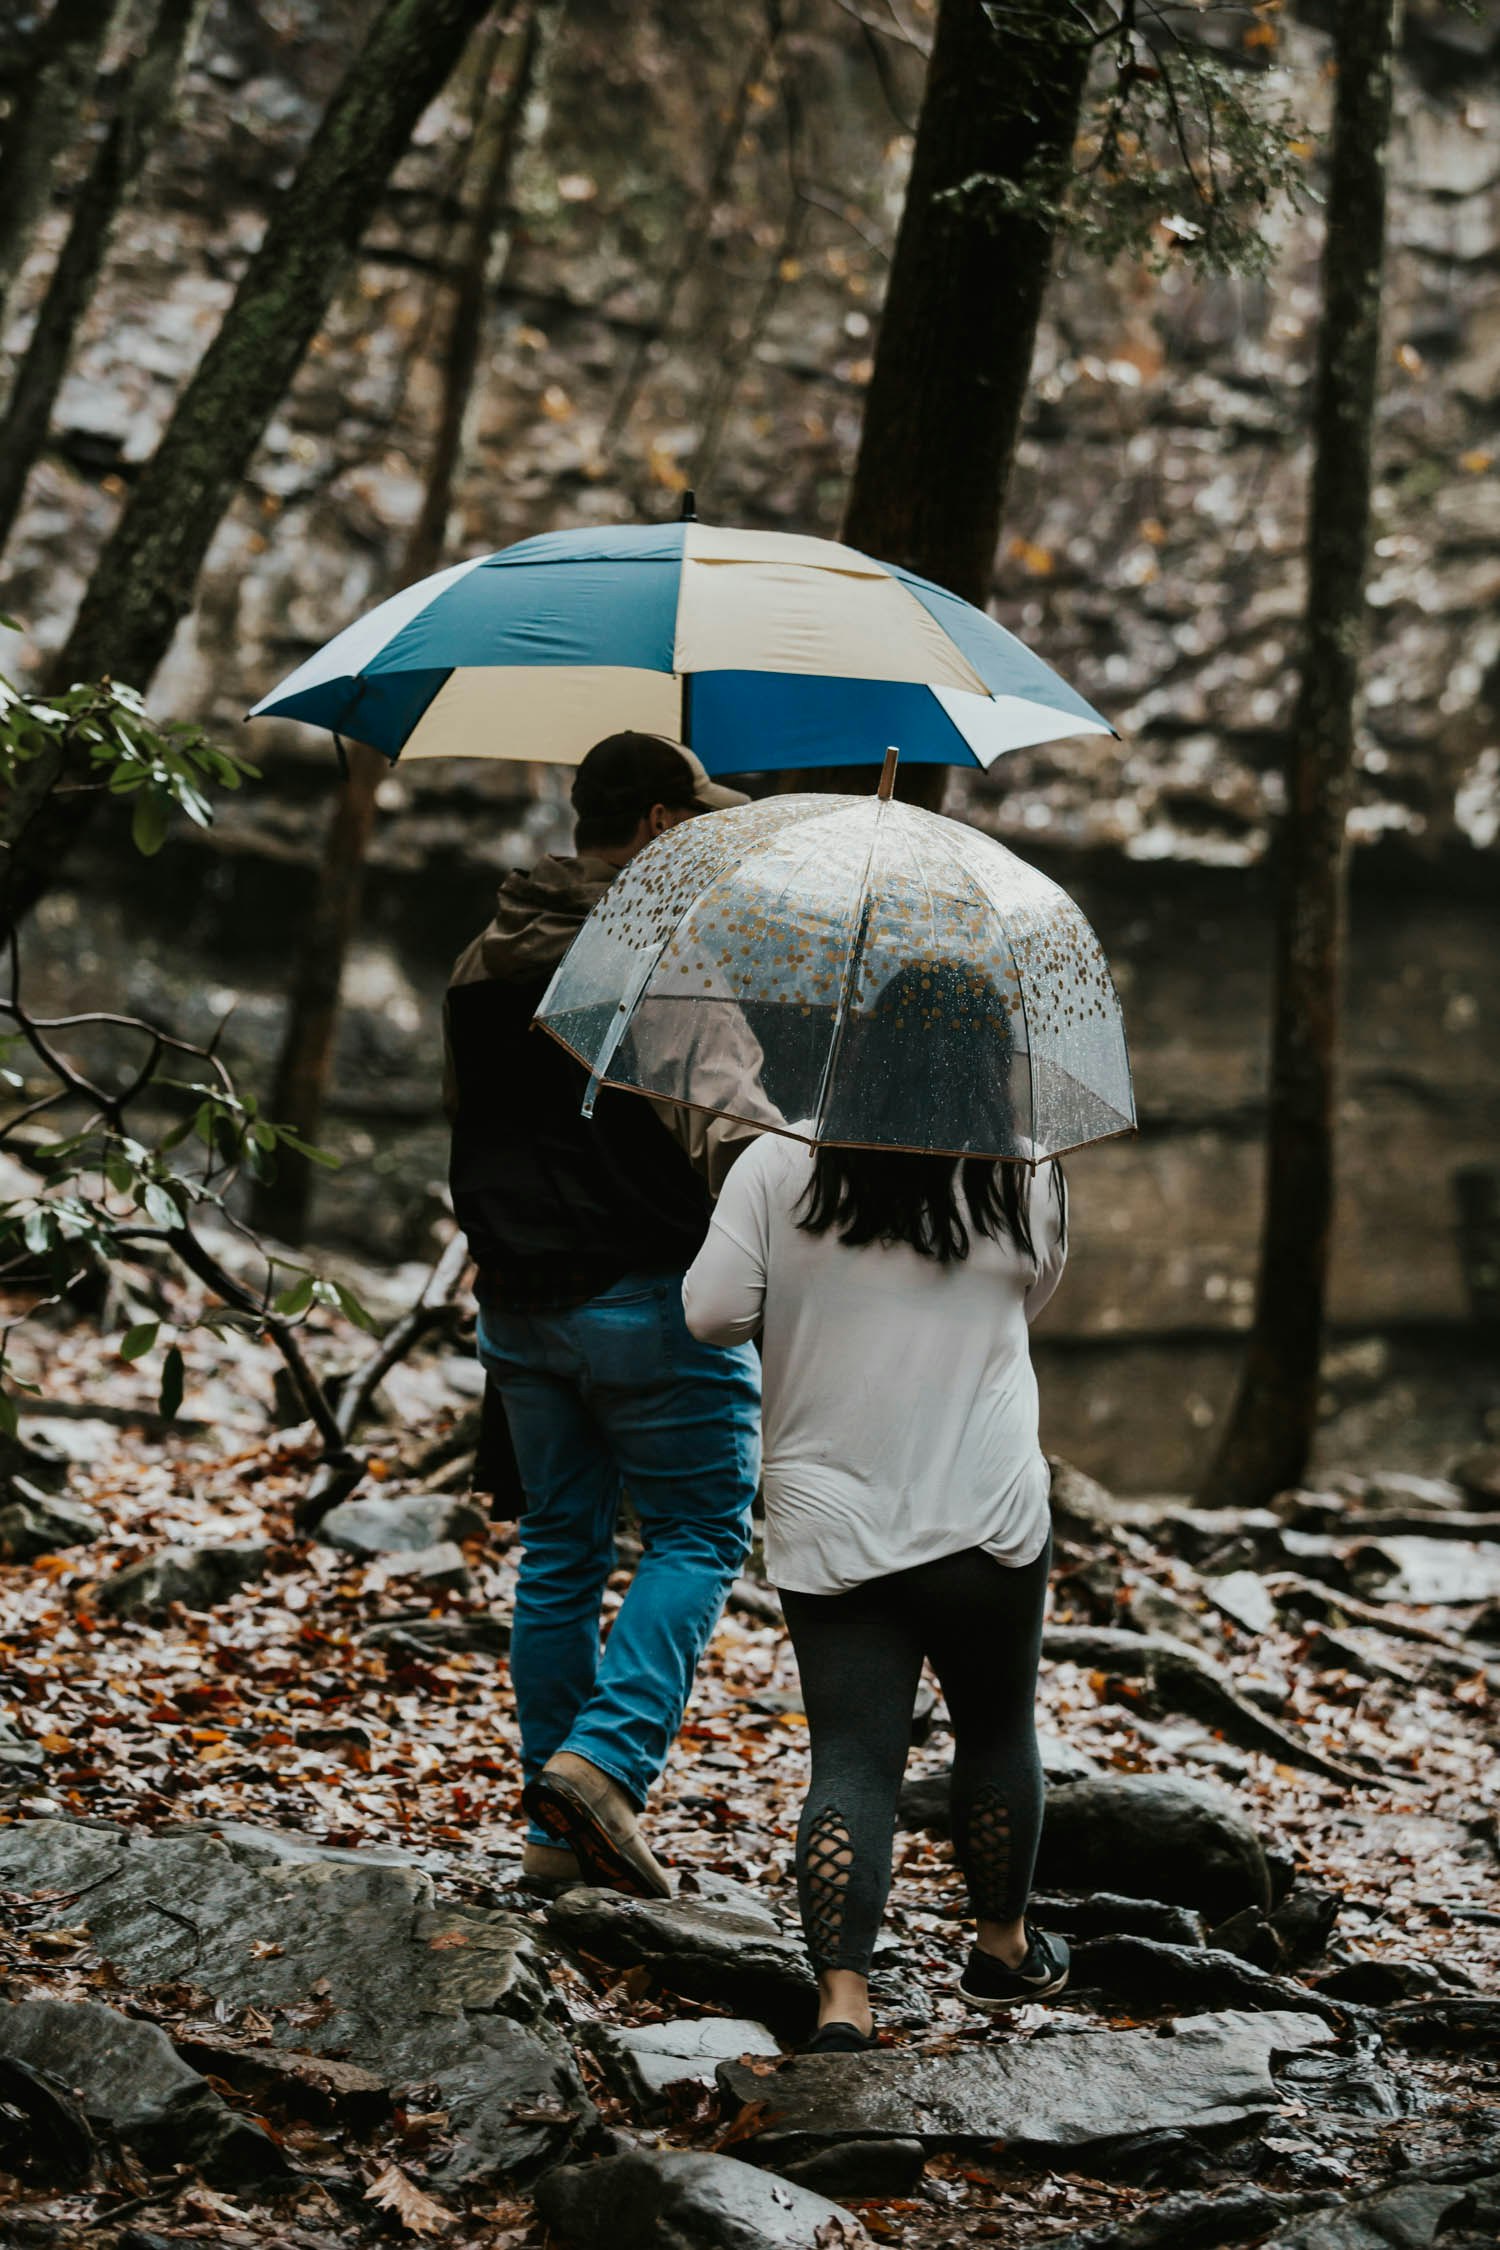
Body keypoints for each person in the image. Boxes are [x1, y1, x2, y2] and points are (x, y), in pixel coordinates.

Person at [445, 730, 764, 1898]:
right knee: (699, 1533)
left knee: (560, 1556)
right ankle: (603, 1765)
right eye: (693, 822)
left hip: (519, 1306)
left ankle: (550, 1836)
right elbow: (738, 1139)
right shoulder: (655, 953)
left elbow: (472, 1122)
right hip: (645, 1298)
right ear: (655, 826)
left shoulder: (485, 953)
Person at [682, 1115, 1071, 2050]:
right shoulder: (1026, 1166)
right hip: (985, 1502)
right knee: (994, 1726)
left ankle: (843, 2004)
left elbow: (710, 1315)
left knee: (853, 1759)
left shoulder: (777, 1158)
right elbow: (1035, 1291)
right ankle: (1002, 1950)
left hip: (832, 1508)